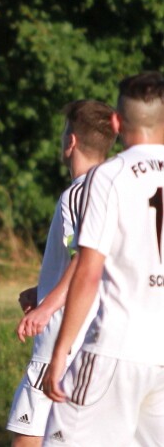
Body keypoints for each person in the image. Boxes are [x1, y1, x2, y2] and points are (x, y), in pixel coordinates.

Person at [41, 71, 164, 445]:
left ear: (117, 122)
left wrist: (60, 352)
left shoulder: (109, 176)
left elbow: (88, 271)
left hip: (116, 347)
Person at [5, 100, 116, 446]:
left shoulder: (78, 195)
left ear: (71, 141)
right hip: (101, 345)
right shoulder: (112, 191)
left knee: (27, 440)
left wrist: (46, 308)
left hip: (62, 343)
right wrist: (43, 290)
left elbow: (82, 259)